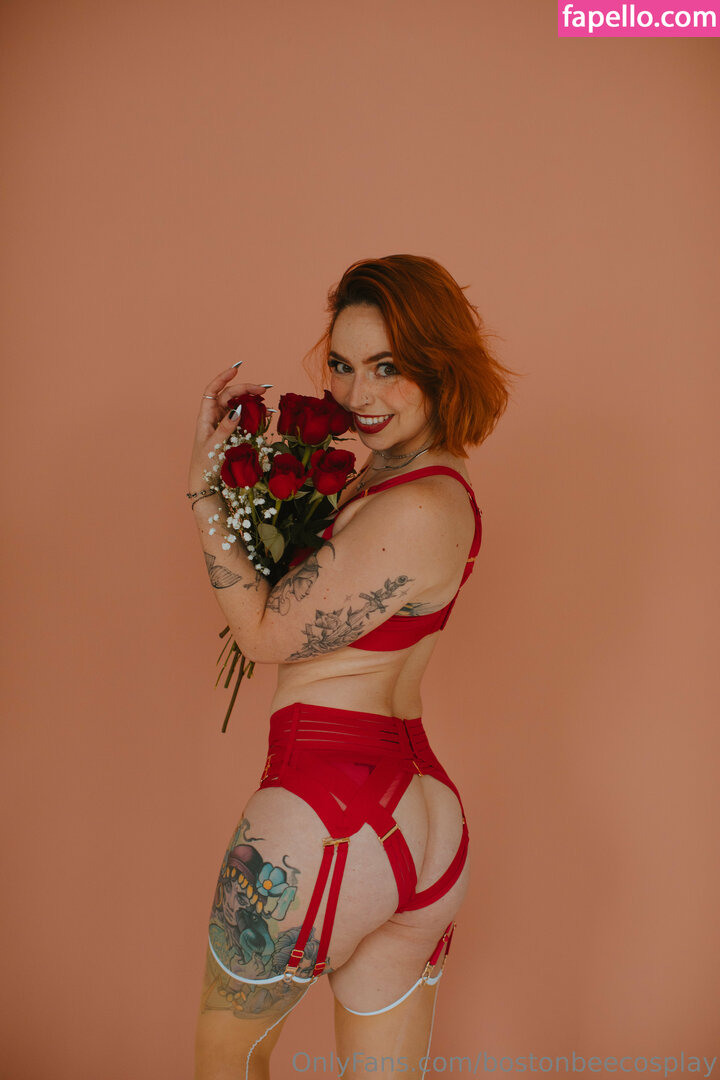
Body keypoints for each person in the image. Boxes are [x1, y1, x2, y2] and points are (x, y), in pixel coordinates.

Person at [188, 255, 515, 1079]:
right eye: (342, 363)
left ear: (438, 366)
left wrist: (205, 494)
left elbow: (263, 633)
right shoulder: (420, 479)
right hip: (418, 812)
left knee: (227, 1059)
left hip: (326, 802)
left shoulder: (414, 507)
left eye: (387, 367)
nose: (357, 393)